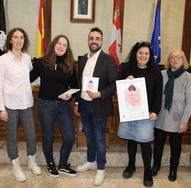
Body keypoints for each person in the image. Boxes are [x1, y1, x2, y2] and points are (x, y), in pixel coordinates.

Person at [0, 27, 42, 182]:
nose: (19, 40)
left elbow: (30, 79)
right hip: (10, 105)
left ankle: (31, 160)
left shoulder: (27, 58)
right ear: (10, 40)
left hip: (27, 103)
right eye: (15, 37)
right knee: (12, 137)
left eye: (21, 37)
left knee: (31, 135)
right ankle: (15, 164)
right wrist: (1, 108)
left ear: (24, 40)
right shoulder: (2, 60)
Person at [74, 27, 118, 186]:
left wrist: (100, 93)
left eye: (97, 38)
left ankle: (101, 168)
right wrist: (78, 102)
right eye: (91, 38)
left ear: (101, 41)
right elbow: (80, 83)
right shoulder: (83, 59)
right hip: (84, 104)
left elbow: (114, 84)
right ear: (88, 40)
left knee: (99, 137)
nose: (94, 41)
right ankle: (90, 161)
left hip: (99, 105)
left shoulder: (108, 59)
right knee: (89, 135)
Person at [30, 34, 78, 178]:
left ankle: (63, 164)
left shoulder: (70, 65)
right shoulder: (41, 62)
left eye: (65, 45)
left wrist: (70, 95)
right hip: (45, 105)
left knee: (70, 137)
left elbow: (76, 86)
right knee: (48, 137)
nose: (61, 46)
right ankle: (50, 163)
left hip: (63, 106)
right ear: (53, 44)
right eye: (59, 43)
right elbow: (28, 78)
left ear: (67, 48)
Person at [117, 41, 163, 187]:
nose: (143, 55)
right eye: (140, 52)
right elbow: (118, 88)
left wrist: (155, 111)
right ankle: (131, 165)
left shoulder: (155, 72)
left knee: (145, 142)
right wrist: (125, 81)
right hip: (130, 112)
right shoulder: (126, 68)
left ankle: (147, 172)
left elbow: (158, 95)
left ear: (150, 56)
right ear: (135, 54)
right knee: (131, 139)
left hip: (146, 113)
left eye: (146, 53)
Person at [152, 49, 191, 181]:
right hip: (161, 117)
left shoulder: (188, 77)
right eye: (172, 57)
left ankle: (173, 169)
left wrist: (184, 121)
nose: (175, 60)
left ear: (183, 61)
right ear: (169, 60)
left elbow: (190, 102)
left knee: (175, 146)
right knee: (158, 144)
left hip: (177, 119)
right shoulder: (162, 74)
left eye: (178, 57)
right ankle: (156, 165)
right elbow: (154, 94)